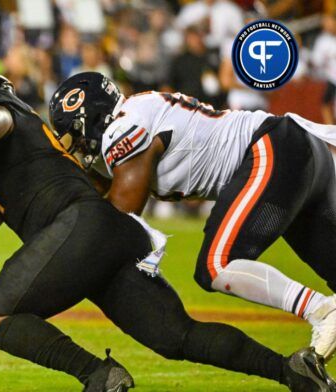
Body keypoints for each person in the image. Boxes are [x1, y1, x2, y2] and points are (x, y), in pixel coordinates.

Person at [0, 71, 334, 391]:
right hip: (101, 235)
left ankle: (97, 375)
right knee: (176, 338)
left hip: (82, 226)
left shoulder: (2, 117)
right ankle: (292, 372)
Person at [49, 71, 336, 361]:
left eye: (75, 133)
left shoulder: (122, 130)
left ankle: (321, 310)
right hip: (299, 151)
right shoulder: (135, 111)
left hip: (272, 150)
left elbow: (123, 218)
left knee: (216, 265)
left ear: (92, 118)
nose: (78, 145)